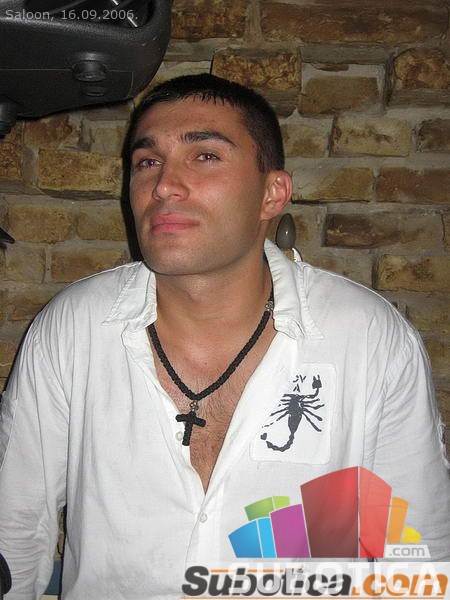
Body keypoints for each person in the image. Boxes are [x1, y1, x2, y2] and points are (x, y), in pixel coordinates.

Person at [0, 73, 449, 599]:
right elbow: (15, 525)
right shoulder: (73, 327)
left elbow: (413, 551)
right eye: (147, 162)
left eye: (205, 156)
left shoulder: (367, 337)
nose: (164, 185)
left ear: (272, 194)